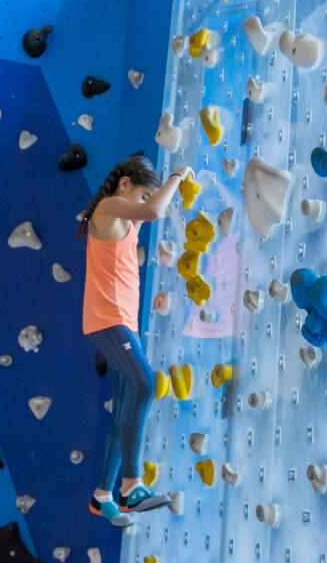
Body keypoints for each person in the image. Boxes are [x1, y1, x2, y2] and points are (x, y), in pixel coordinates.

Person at [78, 155, 191, 527]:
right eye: (142, 195)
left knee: (125, 403)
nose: (143, 204)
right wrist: (176, 176)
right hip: (108, 320)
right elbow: (156, 211)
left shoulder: (123, 217)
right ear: (124, 185)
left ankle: (102, 496)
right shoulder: (110, 207)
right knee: (145, 384)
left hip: (123, 321)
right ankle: (131, 484)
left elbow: (153, 211)